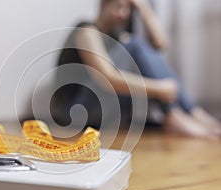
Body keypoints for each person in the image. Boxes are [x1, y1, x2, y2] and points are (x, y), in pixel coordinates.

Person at [51, 0, 221, 139]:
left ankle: (190, 113)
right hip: (73, 112)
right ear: (103, 5)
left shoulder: (118, 37)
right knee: (134, 46)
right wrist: (159, 89)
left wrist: (142, 7)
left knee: (137, 51)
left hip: (101, 112)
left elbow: (161, 44)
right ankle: (177, 113)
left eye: (128, 8)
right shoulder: (87, 30)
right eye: (118, 6)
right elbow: (108, 78)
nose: (123, 14)